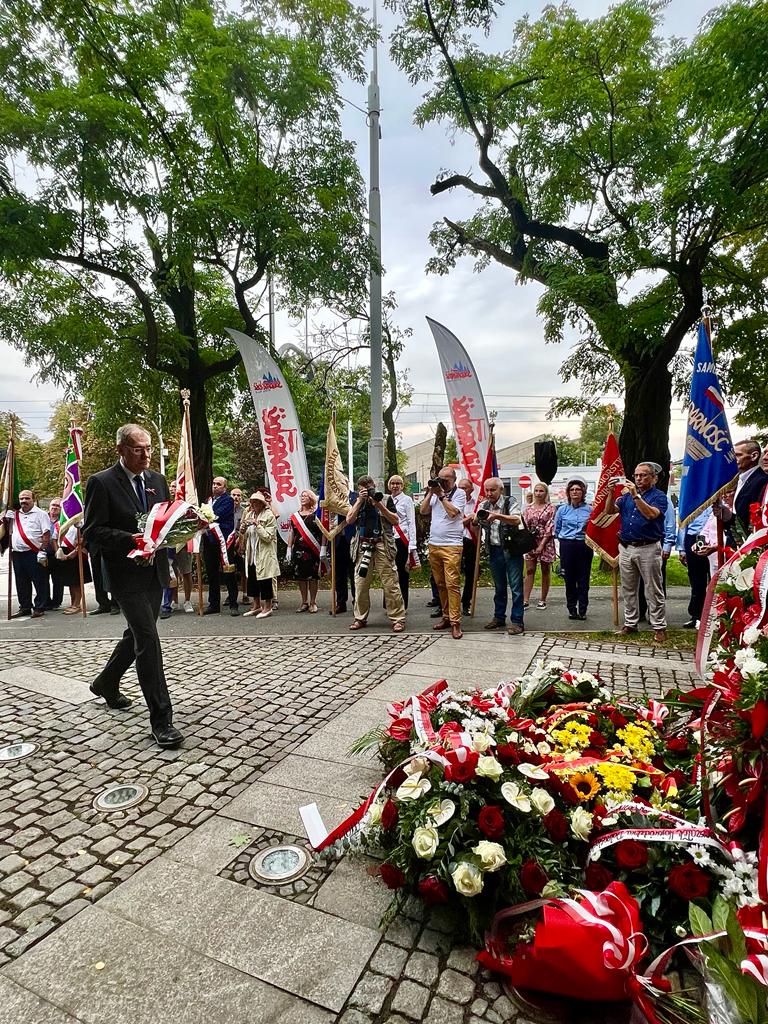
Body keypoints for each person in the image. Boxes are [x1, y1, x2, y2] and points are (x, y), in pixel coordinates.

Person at [83, 424, 182, 749]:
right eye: (138, 449)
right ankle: (162, 721)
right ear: (121, 450)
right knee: (148, 641)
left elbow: (164, 524)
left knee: (137, 635)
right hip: (124, 576)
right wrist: (130, 540)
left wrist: (178, 542)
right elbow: (93, 533)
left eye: (149, 448)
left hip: (153, 574)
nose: (145, 454)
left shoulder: (157, 481)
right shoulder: (101, 482)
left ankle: (107, 683)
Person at [605, 462, 669, 643]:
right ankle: (631, 623)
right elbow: (609, 511)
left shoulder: (659, 497)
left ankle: (659, 626)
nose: (639, 478)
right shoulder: (625, 497)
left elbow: (650, 514)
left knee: (653, 589)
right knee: (628, 588)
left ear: (654, 478)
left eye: (644, 475)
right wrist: (610, 492)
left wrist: (635, 495)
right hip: (626, 547)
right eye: (636, 475)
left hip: (648, 547)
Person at [346, 475, 406, 632]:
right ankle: (360, 617)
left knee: (390, 583)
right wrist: (359, 501)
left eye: (369, 486)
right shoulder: (356, 500)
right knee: (360, 584)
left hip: (382, 544)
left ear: (375, 485)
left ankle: (398, 618)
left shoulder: (385, 499)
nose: (367, 489)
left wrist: (379, 505)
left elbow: (395, 520)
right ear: (359, 489)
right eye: (363, 487)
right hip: (362, 544)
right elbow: (349, 520)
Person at [473, 477, 525, 635]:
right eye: (487, 490)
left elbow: (517, 519)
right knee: (499, 587)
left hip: (511, 550)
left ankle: (517, 621)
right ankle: (499, 617)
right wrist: (477, 517)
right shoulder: (484, 504)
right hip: (494, 550)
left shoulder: (510, 502)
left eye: (492, 490)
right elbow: (476, 522)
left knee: (516, 588)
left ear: (501, 490)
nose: (489, 493)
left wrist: (496, 516)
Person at [420, 467, 467, 639]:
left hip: (452, 546)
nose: (442, 482)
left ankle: (456, 622)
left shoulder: (459, 494)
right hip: (434, 544)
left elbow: (454, 513)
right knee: (440, 584)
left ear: (453, 479)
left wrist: (441, 495)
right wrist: (431, 493)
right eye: (440, 479)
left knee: (452, 584)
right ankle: (446, 616)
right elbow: (423, 511)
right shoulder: (435, 494)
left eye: (445, 479)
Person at [4, 489, 51, 619]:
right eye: (21, 499)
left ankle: (40, 607)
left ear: (33, 499)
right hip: (18, 553)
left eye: (27, 498)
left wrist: (42, 551)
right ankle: (25, 607)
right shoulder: (14, 515)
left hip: (34, 552)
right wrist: (5, 518)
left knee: (39, 580)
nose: (23, 501)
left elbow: (46, 534)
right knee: (21, 581)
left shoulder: (41, 514)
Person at [553, 477, 593, 620]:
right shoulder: (562, 510)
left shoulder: (590, 509)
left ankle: (583, 609)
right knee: (569, 579)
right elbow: (556, 529)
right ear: (568, 493)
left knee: (583, 578)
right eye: (572, 490)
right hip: (567, 546)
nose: (575, 492)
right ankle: (572, 609)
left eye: (578, 489)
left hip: (584, 546)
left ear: (583, 492)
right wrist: (564, 540)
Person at [201, 476, 240, 616]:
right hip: (209, 541)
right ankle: (214, 604)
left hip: (224, 541)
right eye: (214, 483)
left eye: (218, 484)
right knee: (212, 574)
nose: (215, 486)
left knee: (228, 572)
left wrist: (204, 517)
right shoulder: (208, 501)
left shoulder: (228, 500)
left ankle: (233, 604)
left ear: (224, 488)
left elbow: (215, 515)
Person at [714, 439, 768, 538]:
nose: (733, 459)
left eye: (738, 455)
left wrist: (729, 516)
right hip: (737, 543)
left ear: (754, 456)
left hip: (750, 545)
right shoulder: (739, 480)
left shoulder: (762, 481)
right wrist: (726, 515)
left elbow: (753, 521)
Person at [239, 492, 279, 618]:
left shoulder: (269, 516)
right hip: (252, 552)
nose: (254, 504)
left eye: (256, 502)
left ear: (262, 504)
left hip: (264, 553)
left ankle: (268, 607)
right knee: (252, 578)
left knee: (265, 580)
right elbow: (245, 534)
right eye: (252, 502)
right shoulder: (249, 514)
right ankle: (256, 605)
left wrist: (257, 525)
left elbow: (268, 537)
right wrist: (243, 529)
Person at [160, 480, 195, 619]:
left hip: (183, 543)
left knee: (186, 571)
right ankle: (174, 600)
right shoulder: (166, 503)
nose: (174, 488)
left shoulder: (185, 504)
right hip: (169, 543)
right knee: (172, 572)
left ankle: (187, 600)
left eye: (177, 486)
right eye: (172, 486)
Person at [286, 489, 322, 613]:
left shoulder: (316, 515)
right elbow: (291, 531)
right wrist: (289, 548)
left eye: (306, 496)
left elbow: (321, 533)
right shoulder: (295, 516)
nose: (303, 498)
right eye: (302, 496)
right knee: (301, 577)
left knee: (312, 577)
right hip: (299, 550)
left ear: (311, 499)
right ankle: (304, 602)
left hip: (313, 550)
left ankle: (313, 602)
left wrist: (323, 548)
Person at [677, 508, 713, 628]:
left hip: (713, 537)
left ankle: (715, 614)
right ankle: (697, 615)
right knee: (697, 579)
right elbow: (683, 523)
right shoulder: (692, 499)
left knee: (715, 576)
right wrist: (682, 549)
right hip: (694, 537)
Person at [523, 482, 556, 610]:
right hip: (530, 542)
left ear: (546, 493)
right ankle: (525, 600)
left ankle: (542, 599)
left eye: (541, 491)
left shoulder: (551, 508)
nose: (538, 493)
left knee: (545, 571)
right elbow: (524, 527)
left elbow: (551, 526)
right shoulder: (528, 509)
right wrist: (529, 545)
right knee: (529, 571)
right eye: (536, 491)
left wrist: (542, 545)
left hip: (546, 542)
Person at [387, 474, 418, 609]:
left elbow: (411, 522)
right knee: (388, 572)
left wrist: (412, 544)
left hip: (402, 539)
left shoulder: (407, 500)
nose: (395, 486)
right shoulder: (386, 499)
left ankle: (402, 604)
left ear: (402, 485)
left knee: (402, 573)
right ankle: (389, 604)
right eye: (392, 483)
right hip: (389, 538)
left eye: (398, 483)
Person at [51, 514, 92, 615]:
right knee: (69, 580)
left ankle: (77, 604)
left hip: (77, 553)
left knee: (76, 581)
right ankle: (72, 602)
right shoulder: (60, 523)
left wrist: (73, 553)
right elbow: (54, 539)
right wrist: (58, 552)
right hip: (63, 552)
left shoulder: (80, 522)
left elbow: (83, 540)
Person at [458, 477, 477, 615]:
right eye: (459, 487)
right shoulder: (453, 503)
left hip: (471, 541)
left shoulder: (477, 504)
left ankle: (466, 602)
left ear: (471, 489)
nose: (461, 490)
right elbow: (453, 523)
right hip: (455, 541)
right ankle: (444, 603)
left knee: (471, 573)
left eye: (464, 488)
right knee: (452, 573)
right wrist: (468, 519)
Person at [43, 497, 65, 611]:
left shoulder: (64, 520)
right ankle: (46, 601)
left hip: (57, 553)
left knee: (58, 580)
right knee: (43, 579)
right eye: (53, 505)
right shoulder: (43, 518)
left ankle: (56, 602)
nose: (54, 507)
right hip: (43, 553)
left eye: (57, 506)